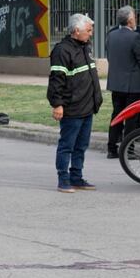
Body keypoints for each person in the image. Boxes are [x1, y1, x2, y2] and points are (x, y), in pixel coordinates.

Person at [47, 13, 103, 193]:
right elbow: (57, 80)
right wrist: (57, 104)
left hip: (87, 107)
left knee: (81, 146)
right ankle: (63, 180)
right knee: (67, 146)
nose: (91, 33)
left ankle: (76, 177)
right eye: (88, 30)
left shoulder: (84, 47)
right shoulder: (62, 50)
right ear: (76, 31)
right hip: (72, 107)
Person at [105, 5, 140, 159]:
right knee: (132, 117)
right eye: (134, 17)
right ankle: (129, 149)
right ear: (130, 20)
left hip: (116, 82)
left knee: (117, 114)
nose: (135, 20)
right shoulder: (135, 37)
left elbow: (110, 56)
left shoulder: (111, 35)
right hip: (133, 83)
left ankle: (111, 147)